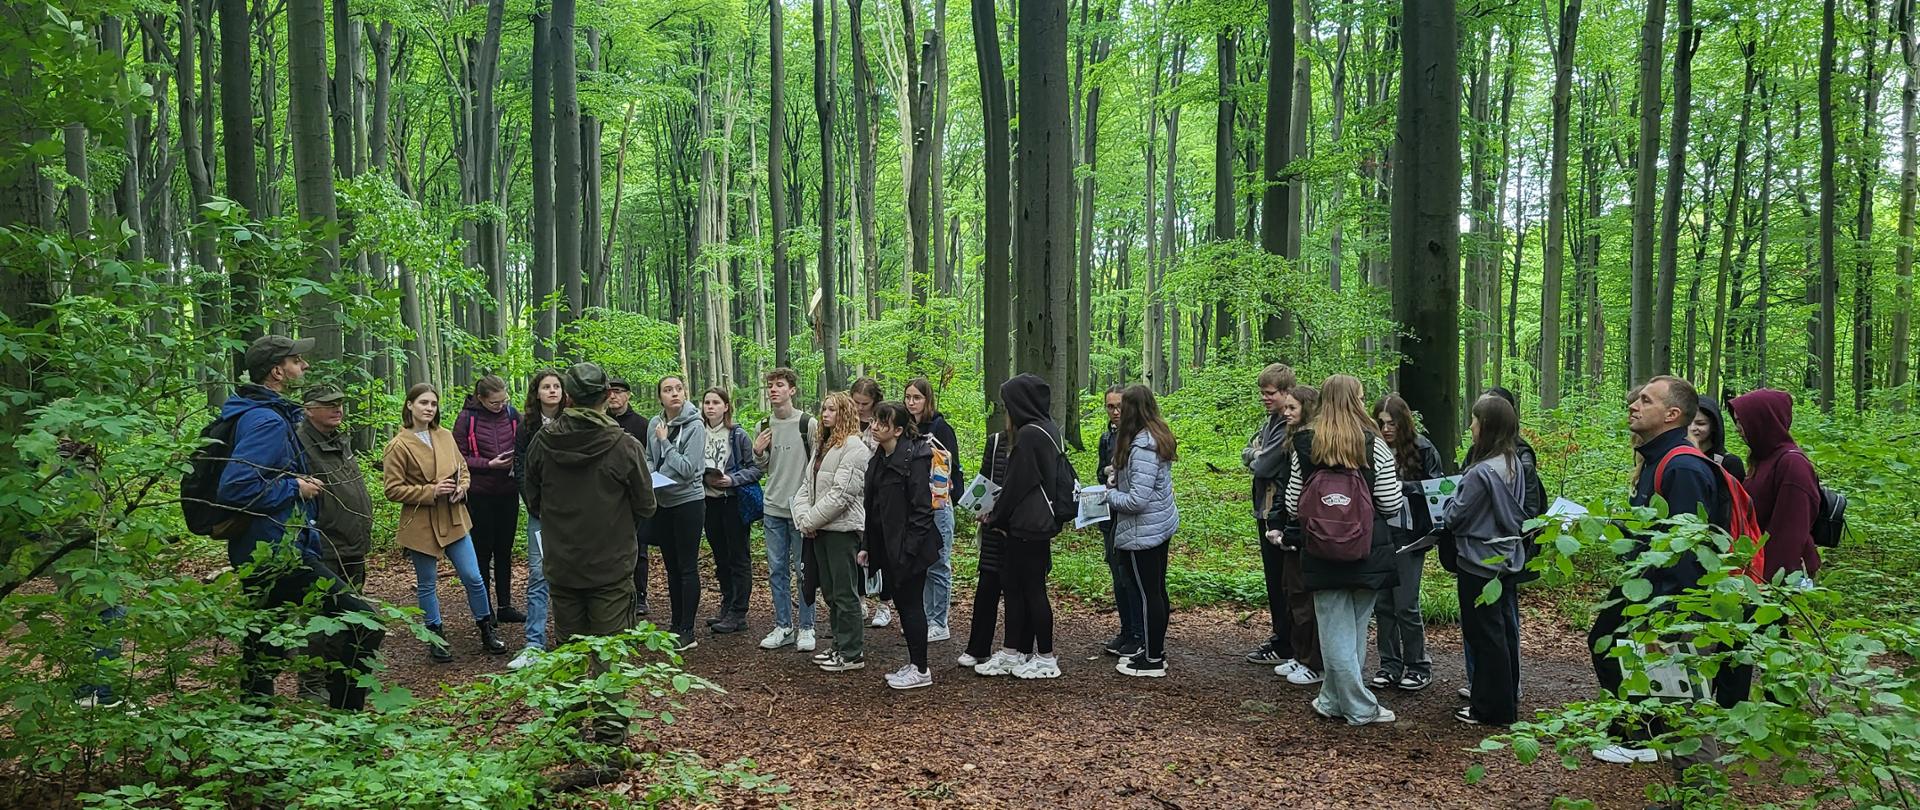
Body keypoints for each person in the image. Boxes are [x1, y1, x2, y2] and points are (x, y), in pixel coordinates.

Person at [219, 335, 383, 710]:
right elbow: (236, 488)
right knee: (362, 621)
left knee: (264, 641)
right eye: (296, 361)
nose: (303, 366)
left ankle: (256, 733)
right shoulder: (264, 421)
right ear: (277, 371)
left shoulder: (263, 413)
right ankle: (347, 725)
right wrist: (295, 487)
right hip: (277, 553)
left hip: (268, 548)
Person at [1589, 375, 1726, 764]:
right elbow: (1654, 534)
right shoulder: (1656, 460)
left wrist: (1663, 620)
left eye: (1645, 401)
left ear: (1672, 414)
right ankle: (1643, 738)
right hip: (1651, 594)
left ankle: (1691, 790)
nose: (1634, 405)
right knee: (1612, 643)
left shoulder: (1683, 468)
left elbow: (1686, 551)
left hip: (1675, 607)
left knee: (1687, 710)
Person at [522, 362, 659, 745]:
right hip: (611, 567)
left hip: (563, 564)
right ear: (604, 397)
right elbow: (646, 504)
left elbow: (532, 498)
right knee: (609, 652)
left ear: (567, 397)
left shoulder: (543, 443)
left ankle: (568, 731)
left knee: (568, 649)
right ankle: (610, 739)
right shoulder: (623, 445)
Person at [1282, 374, 1405, 725]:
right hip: (1367, 548)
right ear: (1355, 400)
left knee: (1336, 630)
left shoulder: (1305, 442)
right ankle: (1360, 706)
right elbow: (1391, 503)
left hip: (1320, 548)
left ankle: (1331, 699)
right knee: (1353, 627)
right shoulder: (1374, 444)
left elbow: (1293, 503)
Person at [383, 383, 508, 662]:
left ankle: (486, 629)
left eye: (433, 404)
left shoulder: (446, 436)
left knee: (474, 577)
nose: (429, 408)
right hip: (421, 521)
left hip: (453, 516)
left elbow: (462, 468)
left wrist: (462, 486)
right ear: (410, 405)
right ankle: (435, 636)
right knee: (427, 583)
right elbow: (392, 489)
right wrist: (429, 491)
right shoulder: (398, 445)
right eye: (423, 403)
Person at [975, 373, 1070, 680]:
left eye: (1008, 404)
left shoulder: (1029, 436)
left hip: (1029, 527)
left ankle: (1045, 657)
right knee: (1015, 589)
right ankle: (1011, 652)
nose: (1006, 410)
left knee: (1031, 591)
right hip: (1031, 524)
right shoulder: (1048, 429)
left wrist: (994, 517)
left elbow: (1015, 485)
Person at [1443, 395, 1529, 726]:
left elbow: (1456, 516)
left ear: (1487, 427)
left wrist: (1449, 504)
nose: (1471, 426)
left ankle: (1488, 709)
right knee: (1503, 632)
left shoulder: (1480, 473)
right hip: (1505, 557)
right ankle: (1503, 703)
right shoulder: (1513, 463)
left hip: (1477, 562)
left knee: (1484, 636)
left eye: (1475, 421)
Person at [294, 385, 376, 703]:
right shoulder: (300, 444)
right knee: (318, 617)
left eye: (340, 403)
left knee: (349, 614)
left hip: (352, 544)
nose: (337, 409)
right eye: (328, 404)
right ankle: (311, 684)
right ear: (308, 408)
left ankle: (338, 678)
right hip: (324, 544)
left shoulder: (340, 441)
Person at [1371, 394, 1447, 692]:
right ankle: (1389, 664)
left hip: (1411, 535)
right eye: (1381, 423)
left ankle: (1417, 665)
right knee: (1383, 604)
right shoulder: (1372, 447)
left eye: (1392, 423)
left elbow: (1439, 488)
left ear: (1404, 423)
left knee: (1406, 604)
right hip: (1379, 534)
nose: (1387, 428)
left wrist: (1406, 488)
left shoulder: (1423, 448)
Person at [863, 402, 941, 689]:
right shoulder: (878, 459)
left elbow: (923, 510)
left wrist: (908, 551)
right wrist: (867, 546)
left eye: (882, 423)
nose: (875, 427)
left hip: (911, 549)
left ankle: (921, 670)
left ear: (897, 429)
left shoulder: (915, 458)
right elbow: (872, 507)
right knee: (903, 604)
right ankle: (915, 662)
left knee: (911, 605)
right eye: (874, 421)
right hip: (888, 546)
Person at [793, 392, 873, 672]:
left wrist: (811, 521)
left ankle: (852, 652)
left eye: (831, 409)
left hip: (842, 531)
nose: (825, 414)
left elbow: (842, 495)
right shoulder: (822, 445)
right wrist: (804, 518)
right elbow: (806, 487)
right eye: (823, 409)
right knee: (829, 591)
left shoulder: (855, 448)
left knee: (844, 592)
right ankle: (838, 645)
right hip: (820, 530)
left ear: (845, 413)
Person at [1105, 385, 1180, 678]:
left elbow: (1137, 500)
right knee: (1155, 591)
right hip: (1156, 526)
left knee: (1150, 594)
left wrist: (1107, 495)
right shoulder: (1151, 437)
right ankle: (1151, 648)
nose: (1116, 414)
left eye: (1122, 408)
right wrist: (1117, 476)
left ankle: (1153, 658)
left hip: (1144, 532)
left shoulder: (1143, 446)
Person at [755, 368, 819, 653]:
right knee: (776, 570)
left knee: (803, 569)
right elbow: (762, 468)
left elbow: (819, 466)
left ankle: (807, 627)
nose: (773, 390)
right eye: (770, 385)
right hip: (772, 506)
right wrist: (757, 452)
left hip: (801, 510)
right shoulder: (763, 425)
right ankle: (783, 625)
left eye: (779, 385)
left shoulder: (808, 423)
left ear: (792, 390)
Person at [1264, 385, 1325, 685]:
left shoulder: (1311, 443)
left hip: (1305, 531)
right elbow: (1284, 484)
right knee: (1291, 593)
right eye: (1285, 408)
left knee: (1305, 600)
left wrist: (1292, 531)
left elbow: (1308, 493)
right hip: (1289, 528)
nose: (1285, 413)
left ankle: (1312, 661)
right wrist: (1276, 522)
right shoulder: (1293, 441)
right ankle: (1299, 655)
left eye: (1292, 408)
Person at [453, 375, 526, 624]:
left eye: (504, 400)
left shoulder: (512, 414)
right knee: (482, 552)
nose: (501, 405)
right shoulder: (466, 419)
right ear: (481, 399)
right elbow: (458, 458)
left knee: (504, 551)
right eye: (495, 402)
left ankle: (505, 605)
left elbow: (526, 443)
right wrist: (488, 464)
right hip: (479, 495)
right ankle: (485, 610)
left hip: (508, 492)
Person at [1727, 390, 1820, 580]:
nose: (1737, 428)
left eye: (1742, 421)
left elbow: (1790, 534)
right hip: (1759, 568)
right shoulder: (1763, 460)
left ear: (1763, 421)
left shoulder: (1792, 464)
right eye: (1736, 421)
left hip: (1782, 577)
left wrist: (1767, 583)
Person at [509, 369, 567, 670]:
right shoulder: (526, 426)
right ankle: (534, 643)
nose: (552, 391)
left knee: (572, 573)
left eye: (557, 386)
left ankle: (572, 639)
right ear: (537, 393)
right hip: (539, 512)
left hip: (572, 512)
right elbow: (520, 466)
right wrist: (532, 503)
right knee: (538, 574)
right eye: (547, 387)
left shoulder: (573, 422)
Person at [646, 375, 709, 650]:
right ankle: (674, 624)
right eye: (668, 390)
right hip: (662, 502)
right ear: (660, 396)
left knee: (686, 566)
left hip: (688, 502)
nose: (674, 394)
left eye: (679, 389)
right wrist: (651, 476)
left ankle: (688, 628)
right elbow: (649, 457)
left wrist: (666, 443)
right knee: (670, 567)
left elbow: (687, 469)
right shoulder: (653, 424)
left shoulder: (695, 426)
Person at [1243, 364, 1295, 667]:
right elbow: (1250, 453)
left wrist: (1257, 455)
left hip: (1277, 510)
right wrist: (1255, 453)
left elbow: (1263, 465)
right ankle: (1281, 636)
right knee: (1274, 579)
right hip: (1264, 507)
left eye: (1270, 393)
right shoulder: (1271, 422)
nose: (1264, 398)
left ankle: (1286, 641)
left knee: (1282, 579)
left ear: (1285, 392)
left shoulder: (1287, 424)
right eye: (1262, 392)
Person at [700, 387, 762, 635]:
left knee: (738, 557)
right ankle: (727, 605)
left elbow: (755, 468)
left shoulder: (737, 435)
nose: (710, 407)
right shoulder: (697, 433)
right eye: (706, 402)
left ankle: (739, 612)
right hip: (709, 502)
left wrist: (732, 480)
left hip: (733, 502)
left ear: (726, 406)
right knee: (720, 557)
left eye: (716, 402)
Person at [904, 378, 962, 643]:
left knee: (938, 563)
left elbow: (953, 467)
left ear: (927, 400)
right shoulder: (906, 428)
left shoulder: (940, 427)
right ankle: (925, 618)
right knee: (920, 564)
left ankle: (939, 621)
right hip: (915, 506)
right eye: (908, 397)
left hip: (938, 504)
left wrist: (954, 498)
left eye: (917, 397)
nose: (912, 402)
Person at [959, 422, 1015, 668]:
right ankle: (978, 647)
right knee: (986, 588)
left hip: (1022, 526)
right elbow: (985, 476)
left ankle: (1018, 650)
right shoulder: (995, 442)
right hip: (993, 526)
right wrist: (979, 507)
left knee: (1020, 592)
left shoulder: (1036, 439)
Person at [1099, 384, 1146, 658]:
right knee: (1118, 576)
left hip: (1131, 516)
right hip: (1110, 517)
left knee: (1132, 578)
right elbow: (1100, 472)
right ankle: (1126, 630)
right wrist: (1106, 473)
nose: (1115, 412)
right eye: (1110, 406)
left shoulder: (1137, 439)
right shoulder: (1107, 438)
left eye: (1119, 406)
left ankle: (1139, 634)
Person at [606, 379, 652, 615]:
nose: (613, 396)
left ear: (628, 396)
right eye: (610, 392)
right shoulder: (601, 424)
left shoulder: (642, 425)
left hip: (634, 496)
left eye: (619, 392)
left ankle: (641, 595)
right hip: (606, 499)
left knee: (639, 548)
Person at [849, 376, 891, 629]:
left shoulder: (884, 422)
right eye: (856, 402)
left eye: (864, 403)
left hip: (879, 494)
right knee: (856, 549)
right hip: (853, 495)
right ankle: (861, 599)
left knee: (882, 550)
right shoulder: (847, 422)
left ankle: (885, 604)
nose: (860, 407)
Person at [1691, 397, 1746, 481]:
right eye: (1687, 422)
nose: (1692, 428)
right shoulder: (1680, 458)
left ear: (1714, 425)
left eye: (1700, 423)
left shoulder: (1729, 463)